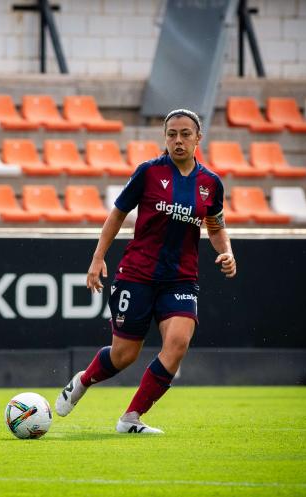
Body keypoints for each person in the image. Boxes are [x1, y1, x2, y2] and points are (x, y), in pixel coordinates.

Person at [55, 108, 236, 433]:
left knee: (178, 343)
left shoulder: (210, 184)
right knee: (124, 355)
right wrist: (98, 257)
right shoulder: (148, 173)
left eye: (185, 134)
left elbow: (215, 224)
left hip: (180, 278)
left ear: (198, 138)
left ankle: (131, 417)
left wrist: (226, 251)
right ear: (164, 138)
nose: (178, 140)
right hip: (137, 275)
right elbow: (117, 214)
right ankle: (83, 381)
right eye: (171, 134)